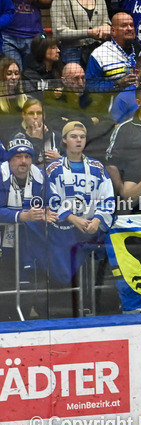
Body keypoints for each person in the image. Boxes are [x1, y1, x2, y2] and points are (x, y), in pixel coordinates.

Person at [44, 121, 116, 286]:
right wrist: (72, 218)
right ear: (64, 140)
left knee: (91, 277)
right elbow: (50, 199)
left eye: (82, 137)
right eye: (73, 136)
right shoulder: (53, 169)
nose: (78, 140)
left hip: (92, 229)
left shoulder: (97, 167)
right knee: (63, 278)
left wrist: (97, 220)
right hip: (64, 231)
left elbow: (107, 198)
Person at [0, 137, 53, 321]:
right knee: (6, 282)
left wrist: (47, 211)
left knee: (31, 283)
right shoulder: (1, 175)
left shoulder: (40, 175)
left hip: (32, 241)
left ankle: (27, 315)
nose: (23, 161)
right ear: (9, 159)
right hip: (4, 243)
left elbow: (51, 202)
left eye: (27, 157)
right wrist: (22, 216)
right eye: (18, 157)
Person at [50, 0, 111, 65]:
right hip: (71, 53)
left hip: (98, 53)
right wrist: (88, 33)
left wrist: (106, 27)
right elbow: (58, 32)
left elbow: (107, 22)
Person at [84, 12, 139, 92]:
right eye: (124, 26)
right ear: (113, 31)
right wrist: (117, 84)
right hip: (111, 98)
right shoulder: (99, 54)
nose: (129, 28)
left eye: (131, 25)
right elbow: (90, 86)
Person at [11, 98, 58, 165]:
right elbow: (21, 165)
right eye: (31, 113)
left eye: (39, 113)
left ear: (44, 115)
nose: (35, 117)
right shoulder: (17, 138)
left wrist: (60, 159)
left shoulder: (56, 136)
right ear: (24, 115)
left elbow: (69, 161)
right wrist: (36, 139)